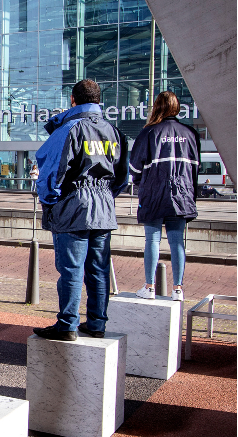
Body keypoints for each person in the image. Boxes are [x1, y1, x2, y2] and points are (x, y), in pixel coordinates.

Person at [33, 79, 129, 341]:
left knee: (71, 270)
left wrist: (51, 201)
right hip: (103, 208)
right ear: (98, 100)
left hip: (74, 206)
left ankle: (67, 325)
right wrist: (106, 197)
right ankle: (97, 323)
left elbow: (51, 172)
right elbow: (122, 177)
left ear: (73, 100)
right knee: (98, 269)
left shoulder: (69, 128)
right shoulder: (114, 131)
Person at [130, 91, 200, 302]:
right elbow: (195, 168)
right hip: (182, 194)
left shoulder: (149, 133)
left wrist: (141, 181)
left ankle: (149, 286)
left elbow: (134, 167)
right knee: (177, 240)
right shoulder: (190, 133)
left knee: (152, 239)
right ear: (176, 108)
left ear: (157, 108)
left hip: (153, 193)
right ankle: (178, 289)